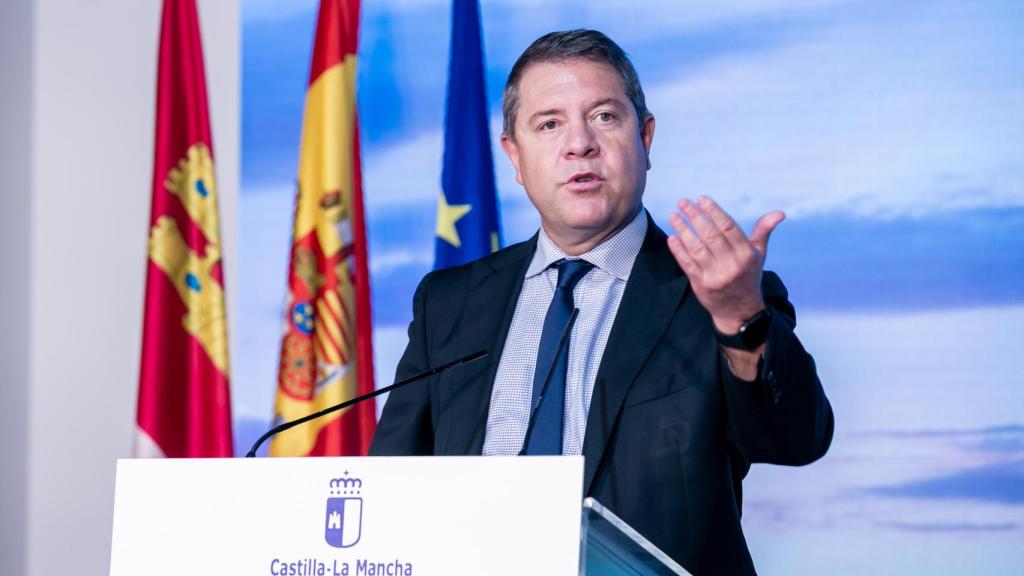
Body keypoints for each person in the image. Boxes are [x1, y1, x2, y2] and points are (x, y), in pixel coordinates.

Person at [370, 29, 833, 575]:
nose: (579, 144)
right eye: (549, 124)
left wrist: (739, 318)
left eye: (605, 117)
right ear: (514, 157)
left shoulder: (717, 295)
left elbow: (796, 439)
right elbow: (390, 488)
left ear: (646, 138)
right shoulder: (449, 304)